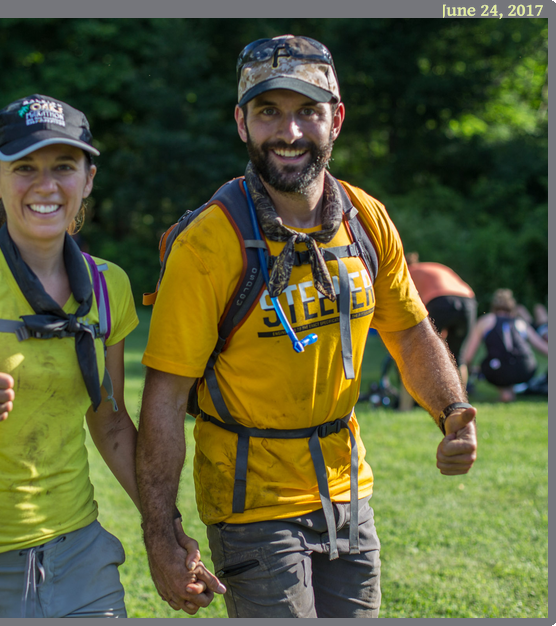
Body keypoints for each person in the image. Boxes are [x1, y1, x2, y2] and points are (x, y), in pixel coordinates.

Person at [136, 35, 478, 618]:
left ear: (336, 119)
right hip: (251, 504)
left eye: (307, 112)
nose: (289, 133)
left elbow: (410, 330)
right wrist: (161, 535)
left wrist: (451, 412)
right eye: (269, 112)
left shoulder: (366, 220)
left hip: (349, 493)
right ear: (242, 123)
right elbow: (165, 398)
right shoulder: (209, 244)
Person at [0, 94, 219, 618]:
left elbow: (111, 423)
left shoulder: (108, 287)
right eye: (24, 168)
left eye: (63, 167)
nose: (46, 184)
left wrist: (166, 532)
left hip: (77, 559)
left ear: (88, 179)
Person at [460, 288, 548, 402]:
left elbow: (467, 357)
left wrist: (470, 371)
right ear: (512, 307)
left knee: (490, 365)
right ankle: (512, 390)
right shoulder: (519, 322)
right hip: (525, 368)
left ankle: (505, 392)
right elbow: (543, 348)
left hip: (496, 369)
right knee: (511, 364)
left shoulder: (486, 321)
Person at [405, 252, 477, 387]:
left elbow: (412, 306)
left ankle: (408, 404)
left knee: (419, 354)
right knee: (457, 357)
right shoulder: (435, 266)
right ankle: (462, 402)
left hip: (441, 301)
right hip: (468, 302)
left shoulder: (407, 272)